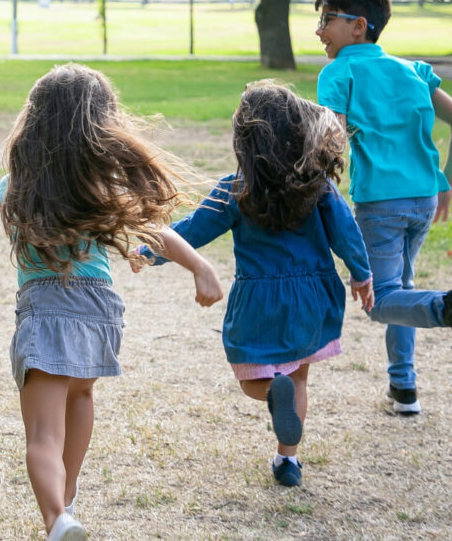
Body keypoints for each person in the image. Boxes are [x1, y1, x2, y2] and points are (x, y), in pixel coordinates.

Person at [0, 64, 223, 540]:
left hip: (45, 310)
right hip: (100, 311)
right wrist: (201, 268)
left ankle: (56, 518)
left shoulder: (15, 185)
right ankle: (71, 490)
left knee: (42, 435)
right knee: (81, 394)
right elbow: (158, 232)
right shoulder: (101, 185)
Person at [135, 81, 374, 487]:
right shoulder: (317, 183)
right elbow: (346, 232)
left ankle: (270, 395)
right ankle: (289, 460)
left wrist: (150, 251)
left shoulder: (235, 187)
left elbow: (194, 229)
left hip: (260, 299)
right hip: (313, 296)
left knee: (253, 377)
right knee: (297, 374)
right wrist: (362, 274)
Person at [314, 0, 452, 416]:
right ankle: (403, 389)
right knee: (399, 289)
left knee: (382, 301)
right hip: (424, 198)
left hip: (380, 203)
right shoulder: (414, 70)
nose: (319, 31)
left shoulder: (338, 73)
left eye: (327, 19)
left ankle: (448, 307)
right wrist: (447, 181)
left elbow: (330, 144)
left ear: (358, 26)